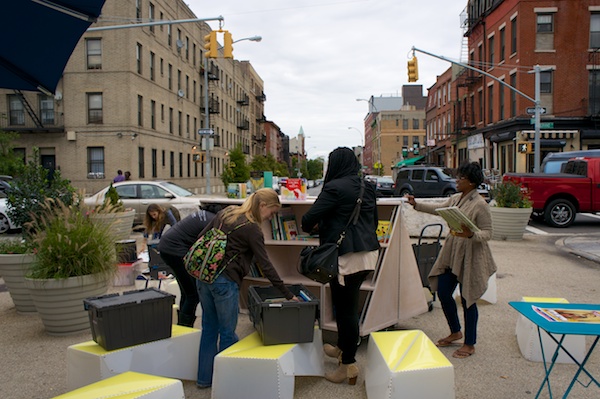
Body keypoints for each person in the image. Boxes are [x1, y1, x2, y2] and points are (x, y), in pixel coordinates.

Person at [195, 188, 298, 389]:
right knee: (227, 333)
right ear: (262, 206)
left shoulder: (227, 213)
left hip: (204, 278)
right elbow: (266, 266)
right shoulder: (252, 229)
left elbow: (201, 236)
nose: (271, 217)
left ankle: (204, 380)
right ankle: (227, 386)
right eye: (272, 212)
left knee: (209, 329)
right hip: (225, 282)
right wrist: (287, 294)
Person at [301, 147, 380, 385]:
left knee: (345, 311)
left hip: (345, 258)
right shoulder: (368, 187)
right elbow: (373, 221)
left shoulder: (334, 187)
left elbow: (307, 220)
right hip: (368, 255)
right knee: (349, 307)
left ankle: (348, 365)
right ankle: (343, 349)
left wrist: (321, 226)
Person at [405, 161, 497, 359]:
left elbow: (488, 233)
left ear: (471, 182)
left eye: (461, 178)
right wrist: (416, 204)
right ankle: (455, 331)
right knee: (444, 292)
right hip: (453, 252)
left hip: (471, 254)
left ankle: (470, 343)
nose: (457, 180)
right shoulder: (456, 198)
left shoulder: (480, 205)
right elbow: (438, 209)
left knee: (468, 298)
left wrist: (471, 235)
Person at [158, 205, 222, 327]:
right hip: (175, 251)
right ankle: (185, 326)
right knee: (193, 295)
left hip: (167, 247)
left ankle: (182, 326)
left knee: (187, 292)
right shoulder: (212, 221)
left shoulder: (203, 215)